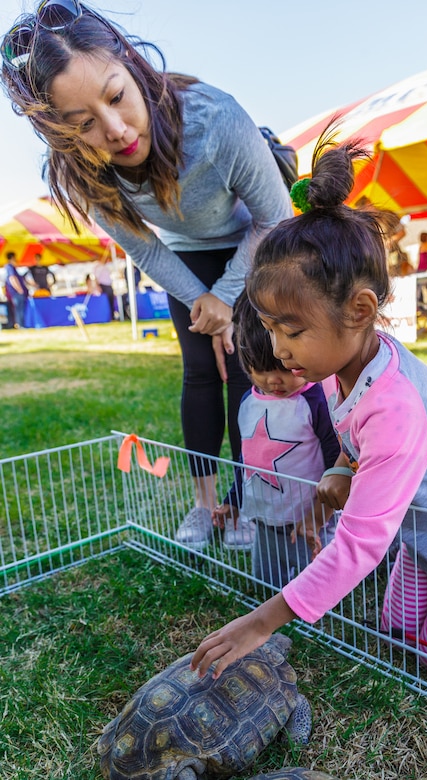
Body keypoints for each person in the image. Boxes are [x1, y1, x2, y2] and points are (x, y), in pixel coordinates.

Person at [191, 127, 427, 680]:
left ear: (359, 310)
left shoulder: (396, 405)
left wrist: (260, 623)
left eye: (291, 329)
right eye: (269, 328)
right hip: (424, 526)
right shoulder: (342, 362)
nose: (280, 348)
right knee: (394, 628)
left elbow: (359, 546)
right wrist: (340, 464)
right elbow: (359, 441)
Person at [1, 1, 292, 546]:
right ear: (63, 135)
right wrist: (203, 302)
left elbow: (276, 218)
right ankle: (207, 506)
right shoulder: (80, 172)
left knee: (249, 376)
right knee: (202, 371)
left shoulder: (218, 119)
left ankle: (248, 500)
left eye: (116, 97)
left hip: (254, 245)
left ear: (133, 67)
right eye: (83, 123)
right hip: (183, 258)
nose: (114, 130)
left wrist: (229, 296)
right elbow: (149, 252)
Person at [191, 291, 339, 584]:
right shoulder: (247, 402)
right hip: (265, 520)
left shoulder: (316, 401)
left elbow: (338, 461)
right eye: (260, 370)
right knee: (266, 584)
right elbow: (247, 459)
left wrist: (319, 516)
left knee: (317, 587)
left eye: (285, 369)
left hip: (308, 522)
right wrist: (233, 500)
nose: (274, 380)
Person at [4, 251, 29, 327]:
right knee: (19, 309)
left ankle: (21, 324)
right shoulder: (9, 267)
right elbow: (12, 278)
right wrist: (19, 289)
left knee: (20, 309)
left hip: (17, 292)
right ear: (12, 257)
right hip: (16, 293)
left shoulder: (12, 267)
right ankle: (21, 325)